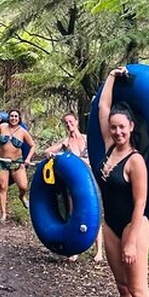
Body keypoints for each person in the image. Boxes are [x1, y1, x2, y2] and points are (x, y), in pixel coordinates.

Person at [97, 66, 149, 297]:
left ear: (131, 127)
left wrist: (131, 239)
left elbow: (140, 203)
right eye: (114, 127)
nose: (117, 132)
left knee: (138, 289)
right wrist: (110, 77)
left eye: (122, 127)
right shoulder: (109, 149)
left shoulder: (135, 161)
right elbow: (104, 108)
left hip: (134, 228)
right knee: (122, 288)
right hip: (111, 227)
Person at [43, 112, 104, 263]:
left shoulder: (87, 139)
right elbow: (47, 151)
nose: (69, 125)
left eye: (71, 122)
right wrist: (51, 154)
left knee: (95, 214)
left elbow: (100, 153)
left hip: (91, 183)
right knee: (73, 213)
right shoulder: (66, 142)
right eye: (66, 123)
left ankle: (99, 251)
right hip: (73, 186)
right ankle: (75, 249)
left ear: (76, 121)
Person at [0, 109, 36, 224]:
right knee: (3, 187)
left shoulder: (23, 132)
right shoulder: (3, 126)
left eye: (16, 116)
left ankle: (22, 197)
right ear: (9, 117)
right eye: (12, 116)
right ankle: (3, 213)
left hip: (16, 162)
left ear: (19, 119)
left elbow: (33, 145)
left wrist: (28, 159)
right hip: (1, 161)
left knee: (23, 186)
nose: (13, 118)